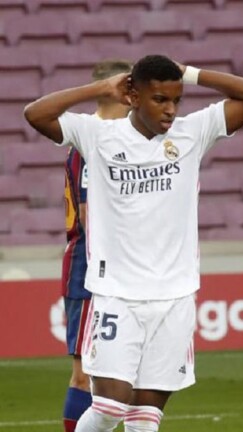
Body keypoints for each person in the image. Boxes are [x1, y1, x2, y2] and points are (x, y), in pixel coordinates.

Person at [25, 54, 243, 432]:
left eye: (176, 100)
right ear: (133, 97)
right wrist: (100, 88)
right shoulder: (98, 136)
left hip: (176, 298)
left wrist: (188, 73)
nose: (170, 110)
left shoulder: (192, 133)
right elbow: (36, 114)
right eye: (160, 99)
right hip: (115, 295)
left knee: (145, 420)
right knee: (107, 408)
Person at [62, 59, 133, 432]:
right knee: (85, 374)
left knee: (121, 374)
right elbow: (93, 218)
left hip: (113, 266)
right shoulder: (93, 142)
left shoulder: (106, 138)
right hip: (90, 268)